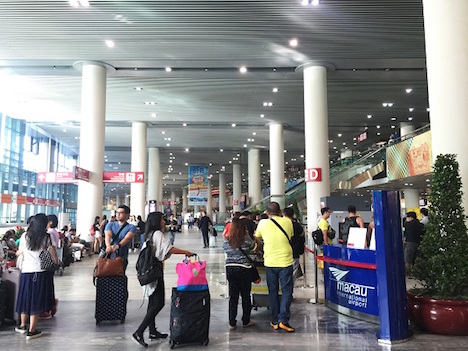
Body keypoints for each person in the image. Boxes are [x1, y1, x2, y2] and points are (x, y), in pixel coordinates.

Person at [133, 212, 194, 348]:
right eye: (161, 219)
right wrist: (186, 252)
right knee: (158, 303)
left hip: (149, 270)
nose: (163, 221)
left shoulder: (148, 234)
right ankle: (139, 331)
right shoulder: (157, 234)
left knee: (152, 301)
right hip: (155, 271)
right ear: (157, 221)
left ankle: (152, 331)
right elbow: (169, 249)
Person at [255, 202, 295, 332]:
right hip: (285, 261)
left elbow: (257, 240)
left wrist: (258, 251)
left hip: (270, 262)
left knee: (273, 291)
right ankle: (283, 320)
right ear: (280, 212)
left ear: (267, 212)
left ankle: (275, 320)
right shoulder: (288, 222)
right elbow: (290, 236)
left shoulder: (262, 223)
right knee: (287, 290)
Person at [15, 213, 56, 340]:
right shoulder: (46, 237)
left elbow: (20, 252)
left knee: (25, 297)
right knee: (36, 300)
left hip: (26, 272)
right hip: (40, 271)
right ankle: (32, 330)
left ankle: (22, 326)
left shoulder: (24, 236)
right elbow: (52, 251)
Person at [223, 218, 258, 330]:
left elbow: (226, 250)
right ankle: (246, 320)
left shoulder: (226, 242)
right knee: (245, 296)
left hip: (230, 269)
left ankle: (232, 322)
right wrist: (248, 236)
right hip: (244, 269)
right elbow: (254, 248)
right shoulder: (246, 240)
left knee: (233, 297)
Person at [104, 205, 136, 273]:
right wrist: (108, 246)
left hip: (122, 257)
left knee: (119, 277)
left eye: (121, 213)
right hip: (108, 256)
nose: (118, 214)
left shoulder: (131, 227)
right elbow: (108, 235)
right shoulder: (110, 224)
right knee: (106, 276)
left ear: (127, 215)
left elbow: (127, 238)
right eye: (117, 212)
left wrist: (117, 246)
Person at [283, 207, 305, 287]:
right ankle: (289, 288)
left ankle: (284, 288)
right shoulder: (296, 225)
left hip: (282, 252)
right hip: (294, 252)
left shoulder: (281, 224)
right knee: (293, 270)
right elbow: (302, 236)